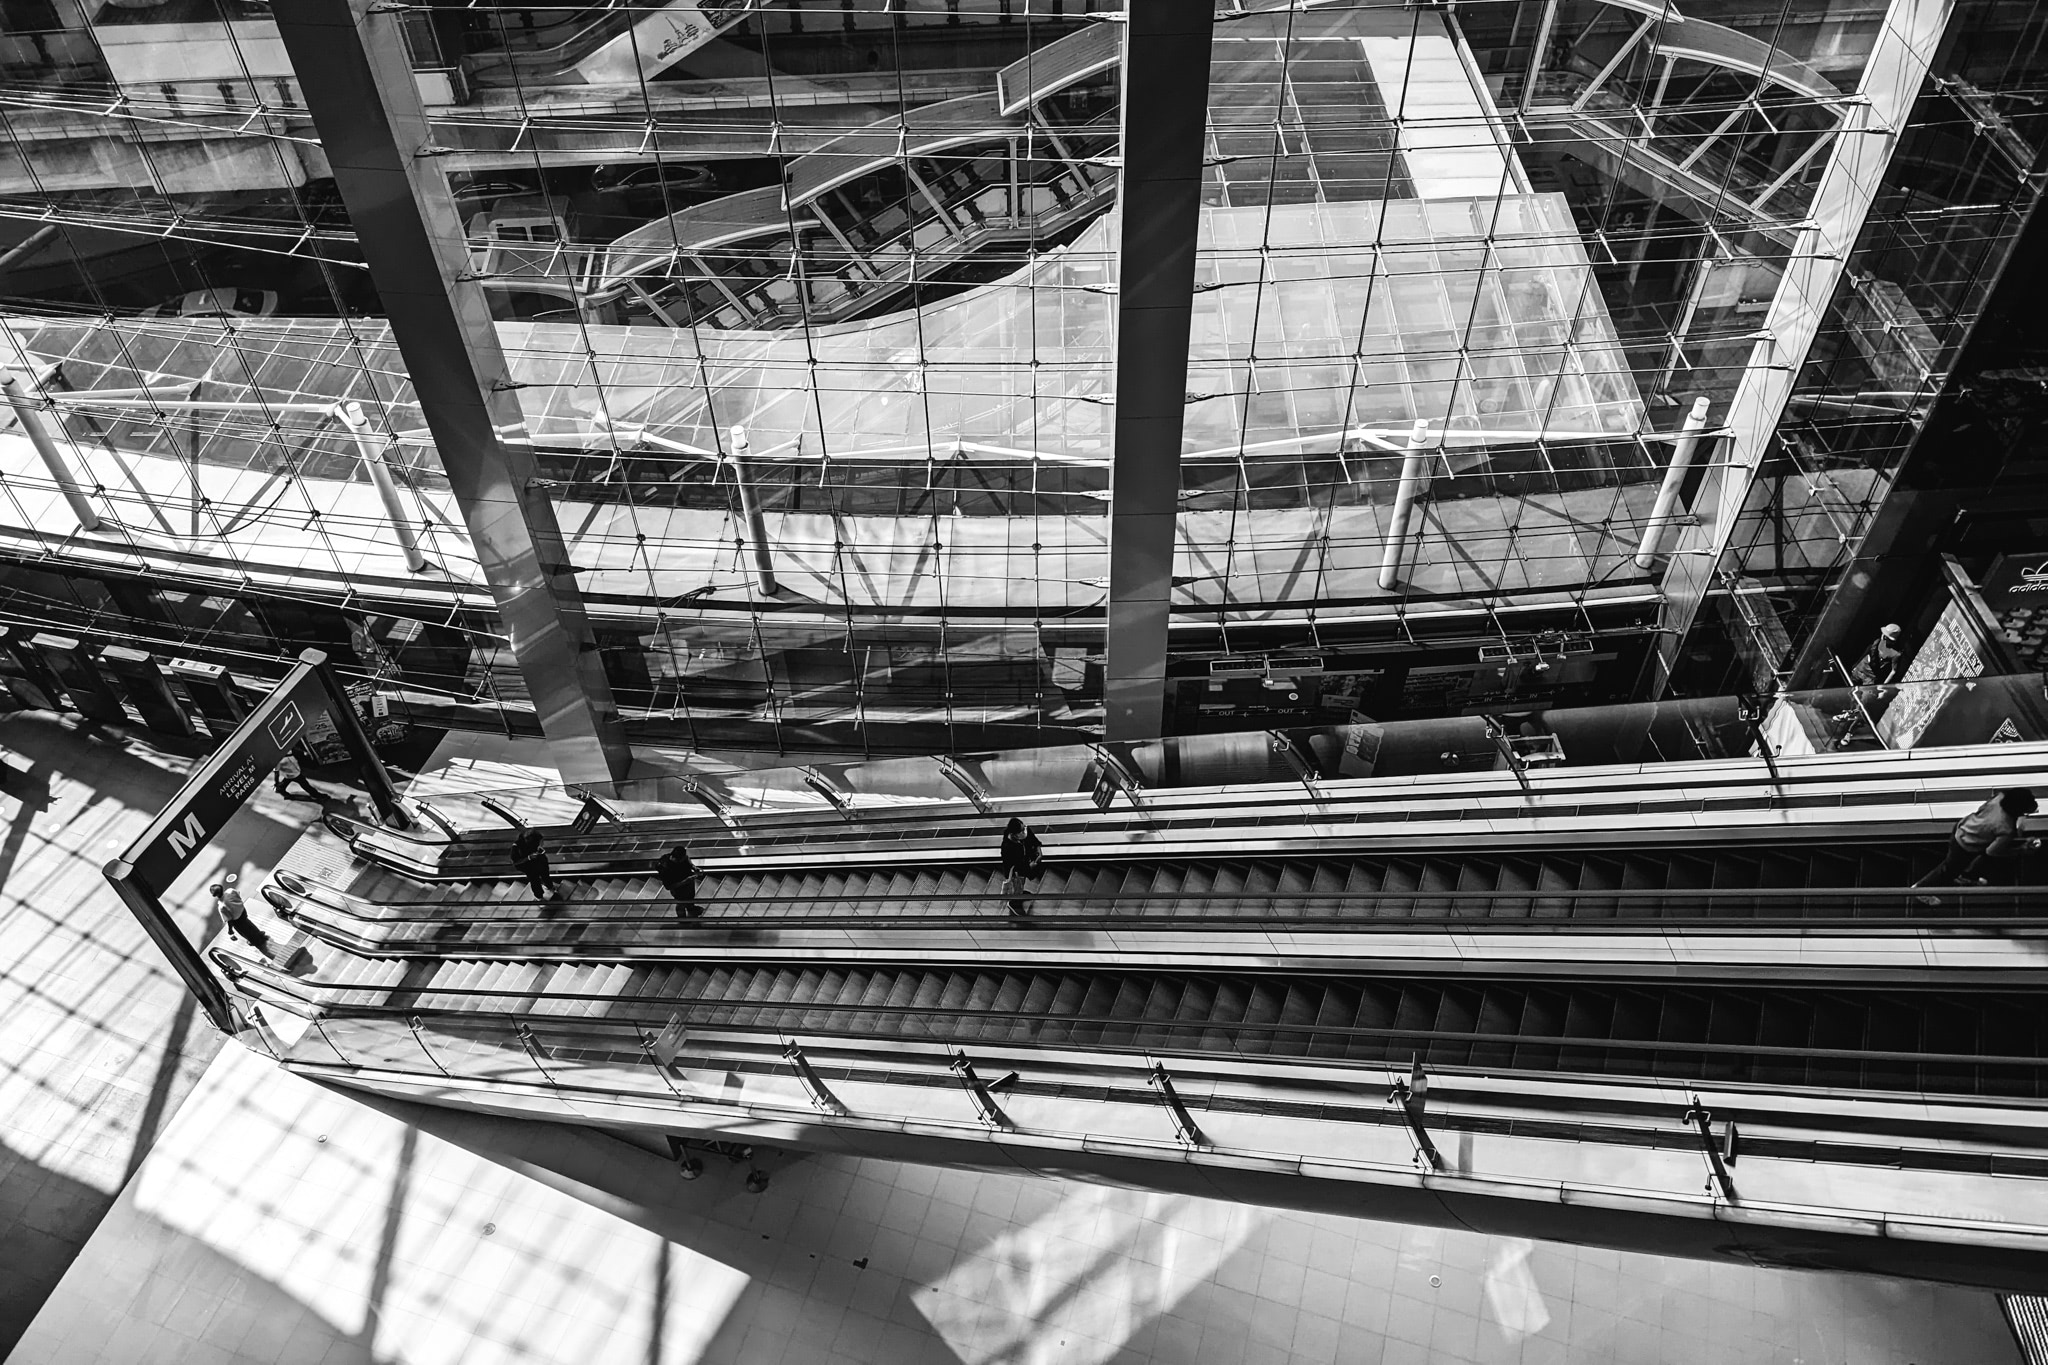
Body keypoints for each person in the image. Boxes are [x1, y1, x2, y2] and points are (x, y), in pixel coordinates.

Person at [1915, 789, 2040, 904]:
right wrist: (2021, 849)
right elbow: (1992, 852)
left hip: (1963, 827)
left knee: (1956, 866)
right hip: (1966, 845)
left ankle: (1966, 876)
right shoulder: (2006, 829)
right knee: (1948, 870)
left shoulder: (1998, 798)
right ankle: (1919, 890)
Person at [211, 874, 269, 954]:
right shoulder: (230, 891)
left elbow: (229, 920)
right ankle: (260, 935)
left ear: (214, 895)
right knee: (249, 924)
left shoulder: (222, 906)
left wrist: (230, 931)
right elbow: (238, 894)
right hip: (243, 912)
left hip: (237, 920)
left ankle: (257, 942)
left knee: (246, 932)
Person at [998, 816, 1043, 916]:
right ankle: (1014, 902)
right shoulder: (1007, 847)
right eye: (1021, 830)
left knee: (1021, 884)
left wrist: (1039, 850)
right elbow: (1015, 865)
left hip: (1025, 864)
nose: (1025, 831)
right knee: (1017, 885)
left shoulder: (1024, 832)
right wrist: (1030, 866)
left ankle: (1020, 893)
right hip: (1016, 872)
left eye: (1024, 827)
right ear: (1014, 834)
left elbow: (1034, 840)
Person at [511, 826, 559, 901]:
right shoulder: (517, 847)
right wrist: (529, 858)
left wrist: (540, 850)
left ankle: (550, 886)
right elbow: (516, 861)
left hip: (540, 862)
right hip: (529, 867)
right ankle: (539, 896)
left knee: (545, 875)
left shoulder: (533, 839)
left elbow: (538, 846)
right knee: (535, 881)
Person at [655, 844, 702, 919]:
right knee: (681, 903)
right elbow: (669, 886)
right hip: (679, 889)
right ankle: (682, 919)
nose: (686, 858)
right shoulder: (665, 868)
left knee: (690, 897)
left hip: (688, 883)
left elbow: (687, 859)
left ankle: (690, 907)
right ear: (679, 859)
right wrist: (684, 881)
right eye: (683, 857)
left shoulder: (679, 857)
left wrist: (694, 868)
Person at [1851, 623, 1906, 687]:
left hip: (1870, 677)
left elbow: (1893, 671)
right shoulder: (1879, 640)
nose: (1884, 636)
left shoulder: (1895, 654)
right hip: (1861, 668)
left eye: (1887, 636)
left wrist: (1883, 686)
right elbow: (1868, 649)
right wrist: (1857, 663)